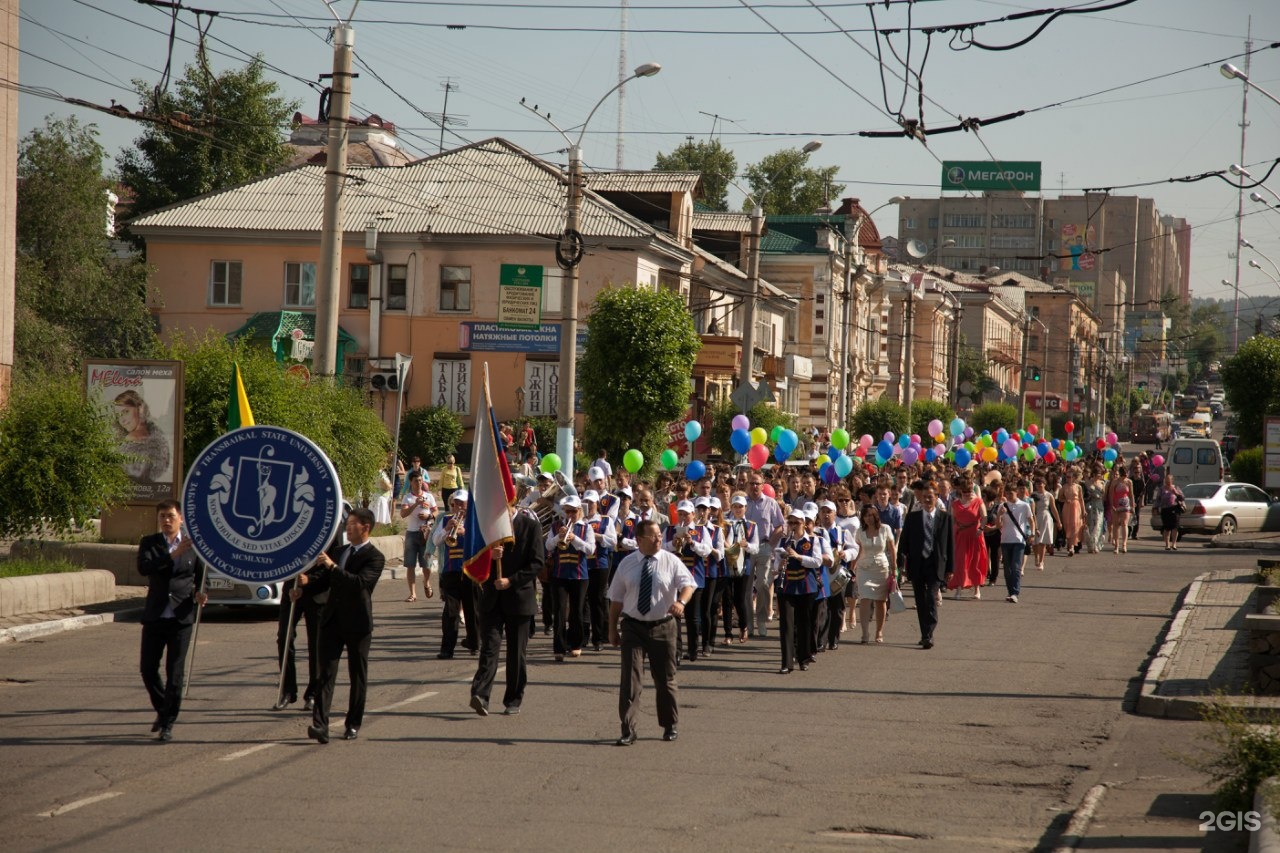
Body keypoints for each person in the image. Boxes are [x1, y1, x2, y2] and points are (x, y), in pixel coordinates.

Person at [299, 508, 386, 743]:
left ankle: (353, 723)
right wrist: (305, 583)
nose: (347, 528)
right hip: (332, 621)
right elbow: (323, 581)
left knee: (357, 675)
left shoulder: (375, 557)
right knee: (325, 673)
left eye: (352, 524)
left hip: (357, 623)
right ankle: (320, 726)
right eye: (346, 524)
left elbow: (359, 584)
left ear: (365, 527)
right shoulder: (339, 551)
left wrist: (333, 567)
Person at [608, 519, 695, 745]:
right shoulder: (626, 564)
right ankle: (628, 729)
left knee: (665, 678)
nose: (659, 539)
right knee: (630, 679)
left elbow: (689, 584)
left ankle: (669, 724)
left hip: (663, 625)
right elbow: (616, 600)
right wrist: (611, 630)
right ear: (639, 540)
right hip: (633, 626)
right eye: (653, 536)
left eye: (659, 535)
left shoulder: (670, 560)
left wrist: (681, 602)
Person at [137, 500, 206, 741]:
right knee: (147, 669)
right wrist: (171, 555)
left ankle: (168, 723)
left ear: (181, 519)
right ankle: (162, 708)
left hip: (181, 617)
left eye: (171, 516)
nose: (166, 520)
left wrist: (200, 594)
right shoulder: (150, 543)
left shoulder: (193, 546)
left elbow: (200, 577)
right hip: (155, 616)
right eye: (162, 516)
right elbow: (144, 568)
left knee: (175, 673)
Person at [469, 509, 546, 716]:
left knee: (516, 653)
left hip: (519, 599)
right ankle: (481, 696)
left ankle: (513, 699)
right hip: (491, 598)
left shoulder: (530, 526)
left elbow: (538, 562)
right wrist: (488, 556)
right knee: (489, 648)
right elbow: (471, 556)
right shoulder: (487, 526)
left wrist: (511, 581)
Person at [897, 481, 953, 649]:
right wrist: (901, 565)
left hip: (936, 564)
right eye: (925, 497)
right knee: (920, 600)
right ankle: (925, 634)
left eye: (931, 497)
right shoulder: (913, 518)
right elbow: (904, 543)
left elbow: (950, 544)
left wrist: (951, 568)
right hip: (917, 564)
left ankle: (930, 629)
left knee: (931, 596)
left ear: (937, 498)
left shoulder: (945, 518)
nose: (928, 500)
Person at [545, 494, 596, 661]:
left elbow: (590, 550)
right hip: (559, 574)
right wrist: (558, 537)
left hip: (580, 575)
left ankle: (575, 644)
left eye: (573, 511)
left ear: (580, 511)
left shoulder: (586, 528)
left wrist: (574, 538)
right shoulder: (556, 526)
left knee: (576, 611)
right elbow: (548, 546)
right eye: (567, 511)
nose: (570, 515)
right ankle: (558, 648)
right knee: (559, 612)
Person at [773, 507, 823, 673]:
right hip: (786, 587)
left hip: (806, 587)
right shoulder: (783, 542)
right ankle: (786, 663)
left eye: (797, 522)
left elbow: (817, 561)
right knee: (786, 625)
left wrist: (798, 556)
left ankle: (803, 658)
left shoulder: (813, 541)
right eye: (791, 522)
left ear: (804, 524)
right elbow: (775, 566)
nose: (793, 525)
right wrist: (778, 565)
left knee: (804, 624)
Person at [432, 491, 478, 659]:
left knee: (473, 609)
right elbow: (435, 541)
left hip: (470, 572)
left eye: (462, 504)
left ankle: (474, 643)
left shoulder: (474, 522)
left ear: (468, 506)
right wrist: (447, 529)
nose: (458, 508)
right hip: (451, 572)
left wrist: (465, 532)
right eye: (455, 504)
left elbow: (482, 544)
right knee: (450, 611)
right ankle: (447, 648)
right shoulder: (446, 520)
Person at [275, 565, 322, 712]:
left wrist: (310, 580)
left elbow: (331, 564)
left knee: (316, 644)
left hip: (316, 592)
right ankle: (288, 690)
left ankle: (313, 694)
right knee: (284, 638)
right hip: (291, 590)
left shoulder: (328, 540)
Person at [744, 473, 785, 639]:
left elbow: (781, 526)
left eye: (757, 484)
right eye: (752, 483)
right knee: (746, 588)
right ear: (748, 485)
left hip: (763, 547)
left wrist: (771, 545)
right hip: (746, 549)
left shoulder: (770, 503)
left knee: (762, 584)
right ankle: (748, 623)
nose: (754, 486)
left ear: (763, 485)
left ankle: (760, 620)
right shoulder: (742, 503)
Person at [851, 503, 894, 644]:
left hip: (881, 568)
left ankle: (879, 631)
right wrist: (854, 565)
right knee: (864, 599)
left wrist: (895, 568)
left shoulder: (885, 529)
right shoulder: (859, 532)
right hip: (864, 568)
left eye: (871, 515)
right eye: (865, 516)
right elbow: (859, 550)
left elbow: (892, 550)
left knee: (880, 600)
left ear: (876, 515)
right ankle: (864, 633)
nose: (868, 518)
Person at [114, 390, 171, 483]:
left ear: (140, 408)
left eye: (126, 411)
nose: (122, 420)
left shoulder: (131, 438)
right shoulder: (158, 435)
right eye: (118, 415)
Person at [947, 472, 988, 600]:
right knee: (960, 562)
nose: (967, 493)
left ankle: (977, 589)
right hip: (959, 535)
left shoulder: (978, 501)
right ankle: (959, 588)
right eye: (964, 491)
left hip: (974, 535)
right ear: (960, 491)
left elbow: (984, 517)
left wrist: (981, 528)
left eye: (969, 490)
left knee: (975, 561)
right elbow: (951, 519)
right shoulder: (955, 503)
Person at [400, 471, 437, 602]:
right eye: (416, 481)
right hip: (411, 533)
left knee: (426, 564)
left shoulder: (429, 496)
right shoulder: (407, 498)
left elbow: (436, 512)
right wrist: (415, 504)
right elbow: (403, 514)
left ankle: (426, 582)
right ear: (411, 482)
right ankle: (413, 594)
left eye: (421, 480)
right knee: (410, 565)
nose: (419, 483)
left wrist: (429, 516)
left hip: (426, 533)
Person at [997, 482, 1034, 605]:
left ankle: (1015, 592)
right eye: (1007, 493)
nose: (1009, 495)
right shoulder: (1002, 506)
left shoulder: (1024, 505)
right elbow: (998, 525)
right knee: (1007, 569)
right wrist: (999, 515)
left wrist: (1032, 534)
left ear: (1016, 492)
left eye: (1011, 493)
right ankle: (1010, 591)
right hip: (1005, 540)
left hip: (1019, 540)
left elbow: (1031, 520)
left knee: (1016, 567)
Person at [1029, 477, 1060, 571]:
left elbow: (1053, 509)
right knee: (1035, 542)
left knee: (1042, 541)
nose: (1039, 485)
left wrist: (1058, 521)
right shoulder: (1033, 495)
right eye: (1037, 484)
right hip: (1035, 517)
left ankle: (1042, 561)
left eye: (1041, 483)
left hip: (1046, 517)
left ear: (1044, 484)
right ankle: (1036, 557)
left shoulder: (1049, 495)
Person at [1156, 473, 1185, 551]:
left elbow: (1182, 498)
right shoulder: (1161, 489)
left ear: (1172, 480)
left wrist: (1176, 492)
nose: (1167, 482)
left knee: (1175, 527)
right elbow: (1158, 499)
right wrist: (1155, 508)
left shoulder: (1175, 487)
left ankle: (1174, 543)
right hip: (1165, 509)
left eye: (1169, 480)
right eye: (1166, 480)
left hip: (1175, 509)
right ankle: (1167, 544)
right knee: (1167, 528)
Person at [1108, 468, 1134, 554]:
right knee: (1116, 525)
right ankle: (1116, 546)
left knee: (1124, 523)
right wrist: (1112, 505)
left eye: (1126, 474)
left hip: (1126, 505)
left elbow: (1131, 494)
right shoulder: (1115, 482)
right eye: (1123, 475)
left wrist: (1132, 506)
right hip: (1116, 504)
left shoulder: (1129, 482)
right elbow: (1111, 494)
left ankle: (1124, 544)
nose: (1125, 477)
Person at [1059, 468, 1084, 556]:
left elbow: (1081, 499)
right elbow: (1059, 498)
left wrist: (1083, 511)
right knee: (1067, 526)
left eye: (1069, 477)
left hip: (1076, 507)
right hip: (1067, 507)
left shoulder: (1078, 487)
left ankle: (1072, 546)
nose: (1068, 479)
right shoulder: (1064, 487)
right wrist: (1066, 500)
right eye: (1067, 477)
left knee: (1075, 526)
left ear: (1074, 478)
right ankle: (1069, 545)